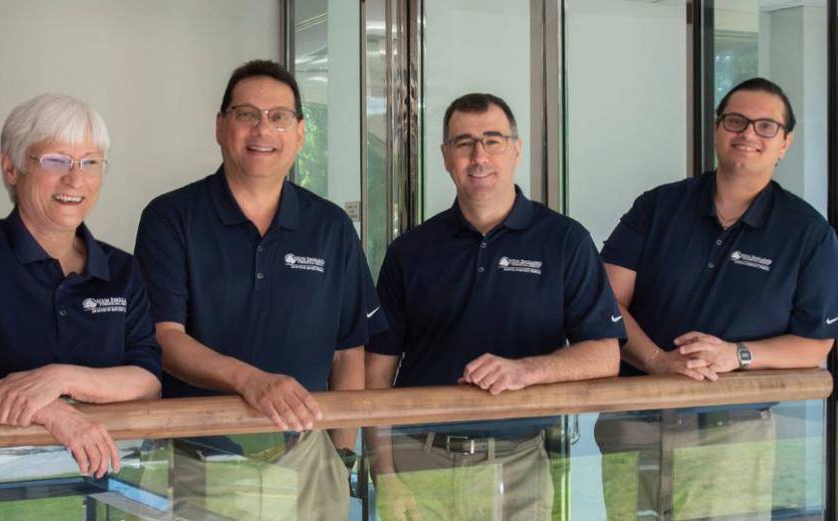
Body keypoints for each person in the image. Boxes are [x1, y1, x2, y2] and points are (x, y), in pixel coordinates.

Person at [134, 59, 385, 519]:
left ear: (301, 132)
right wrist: (252, 381)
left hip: (309, 460)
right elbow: (164, 338)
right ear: (220, 126)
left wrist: (341, 453)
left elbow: (348, 352)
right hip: (200, 461)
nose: (262, 130)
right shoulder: (170, 218)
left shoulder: (330, 227)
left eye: (278, 117)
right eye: (246, 114)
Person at [365, 92, 625, 521]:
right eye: (464, 143)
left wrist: (524, 371)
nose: (478, 156)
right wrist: (385, 474)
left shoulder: (564, 241)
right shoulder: (409, 251)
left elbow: (605, 355)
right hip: (419, 462)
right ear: (445, 156)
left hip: (519, 463)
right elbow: (376, 376)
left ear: (516, 150)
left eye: (492, 140)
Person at [597, 77, 838, 520]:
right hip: (636, 420)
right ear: (716, 129)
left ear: (785, 143)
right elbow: (606, 304)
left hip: (733, 434)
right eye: (736, 121)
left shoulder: (809, 234)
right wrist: (657, 360)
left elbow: (814, 343)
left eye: (766, 126)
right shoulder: (657, 207)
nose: (748, 134)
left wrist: (736, 355)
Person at [0, 94, 162, 479]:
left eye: (90, 162)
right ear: (11, 168)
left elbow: (146, 381)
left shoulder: (121, 269)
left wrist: (62, 378)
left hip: (105, 481)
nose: (75, 179)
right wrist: (49, 411)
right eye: (55, 160)